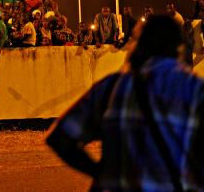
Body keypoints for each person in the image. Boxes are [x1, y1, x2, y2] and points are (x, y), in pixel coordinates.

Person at [46, 15, 204, 191]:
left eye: (133, 40)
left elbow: (60, 138)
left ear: (139, 45)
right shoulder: (196, 90)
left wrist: (101, 173)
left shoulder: (111, 87)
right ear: (179, 48)